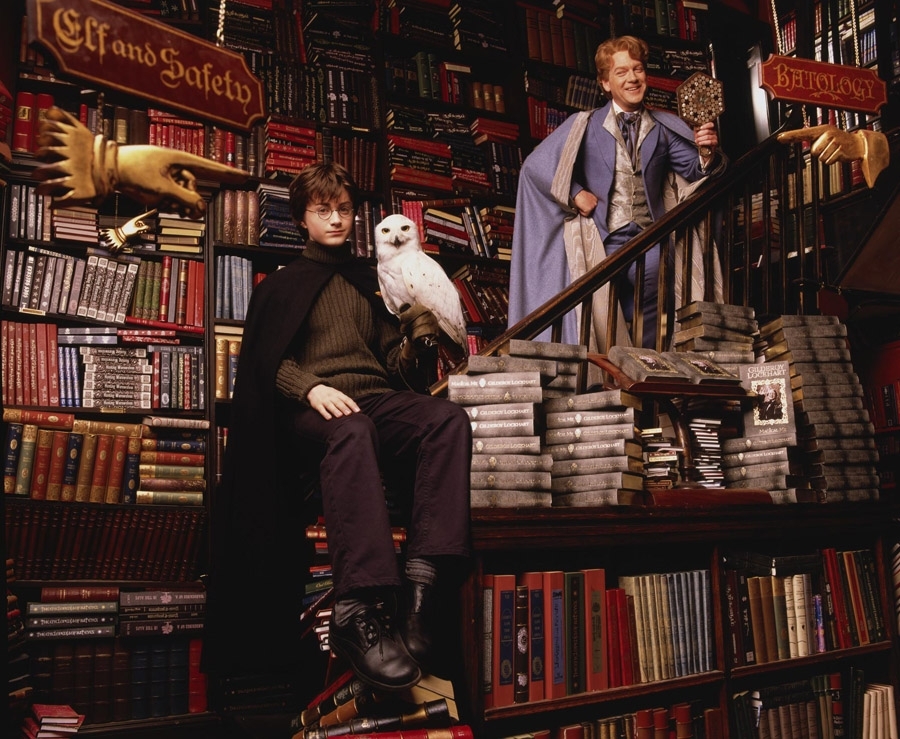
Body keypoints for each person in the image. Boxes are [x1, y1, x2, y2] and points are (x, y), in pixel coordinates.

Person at [203, 163, 472, 692]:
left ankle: (421, 589)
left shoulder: (370, 283)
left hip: (372, 400)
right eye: (323, 210)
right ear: (301, 218)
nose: (336, 219)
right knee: (353, 429)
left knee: (447, 420)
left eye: (344, 210)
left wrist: (412, 346)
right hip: (312, 414)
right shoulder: (281, 286)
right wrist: (310, 388)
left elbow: (393, 370)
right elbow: (263, 364)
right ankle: (357, 609)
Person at [508, 35, 725, 349]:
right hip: (602, 239)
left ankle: (647, 366)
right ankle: (609, 371)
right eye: (621, 72)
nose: (632, 78)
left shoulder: (663, 128)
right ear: (605, 83)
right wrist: (575, 193)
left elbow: (695, 171)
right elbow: (534, 166)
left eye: (637, 69)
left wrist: (705, 151)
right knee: (600, 314)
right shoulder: (585, 125)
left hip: (650, 237)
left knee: (654, 304)